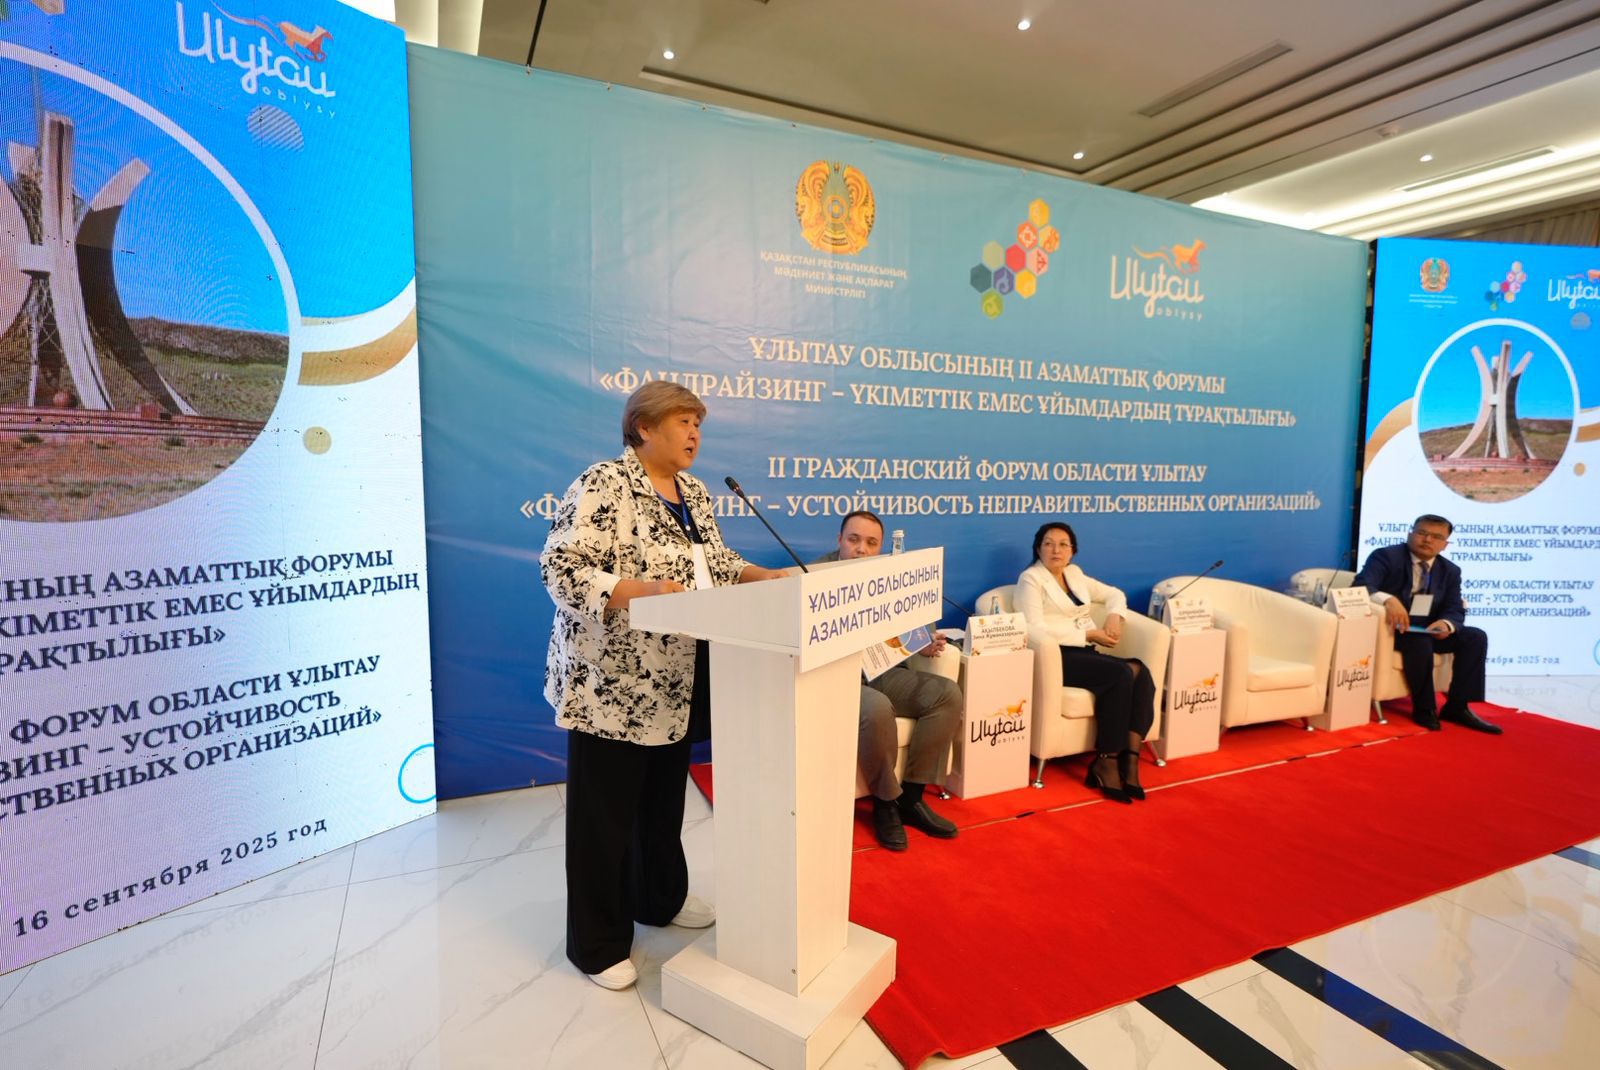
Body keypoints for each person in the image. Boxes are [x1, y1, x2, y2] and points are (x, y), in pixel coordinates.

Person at [541, 381, 788, 990]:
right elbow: (561, 568)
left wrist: (763, 577)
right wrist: (639, 592)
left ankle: (659, 898)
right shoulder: (605, 483)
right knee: (604, 820)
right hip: (610, 683)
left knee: (660, 804)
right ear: (644, 428)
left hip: (676, 677)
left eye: (698, 423)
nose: (694, 433)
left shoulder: (694, 492)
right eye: (683, 422)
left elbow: (714, 562)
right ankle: (596, 945)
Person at [815, 510, 962, 851]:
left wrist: (923, 643)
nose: (861, 549)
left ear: (880, 547)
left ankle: (912, 798)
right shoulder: (814, 576)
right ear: (839, 540)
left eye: (871, 543)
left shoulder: (891, 576)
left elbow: (912, 629)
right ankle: (884, 802)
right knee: (878, 708)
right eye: (854, 540)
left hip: (882, 672)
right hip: (839, 679)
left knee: (947, 695)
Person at [1014, 522, 1155, 803]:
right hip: (1056, 656)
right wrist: (1089, 634)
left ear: (1073, 551)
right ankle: (1106, 760)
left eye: (1063, 544)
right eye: (1048, 543)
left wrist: (1115, 616)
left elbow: (1114, 594)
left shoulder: (1075, 574)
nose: (1056, 550)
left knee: (1140, 672)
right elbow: (1034, 628)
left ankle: (1130, 759)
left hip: (1085, 652)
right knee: (1121, 673)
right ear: (1038, 549)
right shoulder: (1030, 579)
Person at [1354, 514, 1499, 734]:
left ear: (1445, 544)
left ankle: (1457, 706)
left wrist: (1447, 623)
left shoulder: (1450, 570)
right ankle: (1425, 708)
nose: (1427, 540)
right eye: (1422, 533)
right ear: (1410, 534)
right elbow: (1362, 585)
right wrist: (1388, 600)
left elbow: (1454, 607)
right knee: (1419, 642)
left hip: (1428, 629)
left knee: (1475, 637)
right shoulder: (1386, 556)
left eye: (1436, 537)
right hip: (1392, 629)